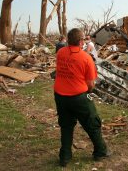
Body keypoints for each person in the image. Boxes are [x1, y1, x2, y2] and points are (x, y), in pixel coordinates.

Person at [54, 28, 109, 167]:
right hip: (78, 97)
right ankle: (100, 151)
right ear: (81, 41)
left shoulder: (60, 53)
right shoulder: (86, 58)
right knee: (92, 123)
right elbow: (91, 84)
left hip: (60, 96)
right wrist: (87, 91)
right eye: (83, 39)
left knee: (66, 125)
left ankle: (64, 157)